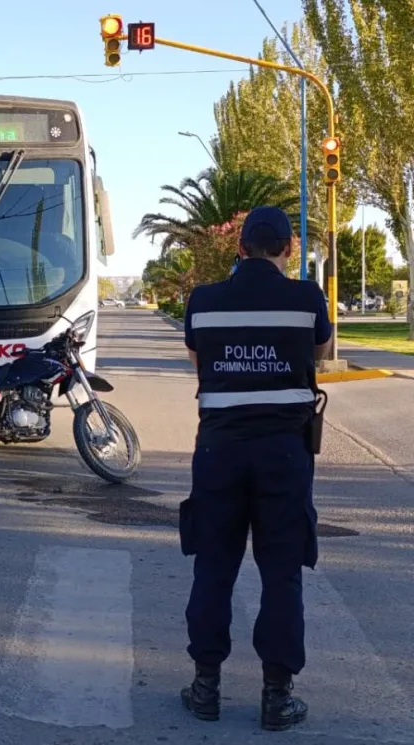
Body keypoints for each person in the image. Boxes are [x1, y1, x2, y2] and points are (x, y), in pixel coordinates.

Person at [179, 206, 332, 731]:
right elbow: (321, 350)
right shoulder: (307, 299)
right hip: (285, 456)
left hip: (219, 452)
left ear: (239, 248)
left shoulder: (202, 301)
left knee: (214, 567)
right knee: (282, 573)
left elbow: (200, 363)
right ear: (289, 250)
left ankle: (205, 689)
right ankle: (276, 697)